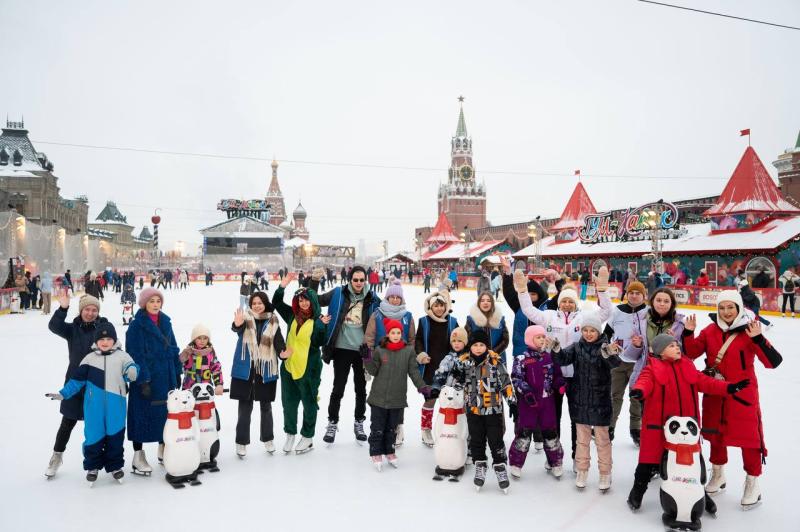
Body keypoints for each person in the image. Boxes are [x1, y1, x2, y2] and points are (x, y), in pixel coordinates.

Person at [682, 290, 783, 509]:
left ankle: (752, 482)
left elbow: (773, 362)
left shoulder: (749, 331)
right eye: (722, 307)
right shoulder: (709, 330)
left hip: (742, 395)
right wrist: (688, 334)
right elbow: (691, 353)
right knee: (716, 436)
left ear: (738, 308)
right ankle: (718, 475)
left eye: (730, 307)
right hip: (716, 392)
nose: (726, 312)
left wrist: (758, 338)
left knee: (750, 441)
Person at [626, 334, 745, 512]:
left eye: (677, 345)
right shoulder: (652, 368)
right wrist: (639, 391)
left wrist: (728, 387)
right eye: (672, 345)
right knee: (647, 463)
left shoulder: (688, 366)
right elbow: (644, 382)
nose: (677, 347)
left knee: (692, 464)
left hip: (686, 431)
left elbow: (707, 382)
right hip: (659, 428)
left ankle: (700, 495)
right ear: (661, 351)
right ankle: (637, 492)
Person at [513, 267, 612, 468]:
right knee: (552, 418)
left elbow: (606, 312)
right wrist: (522, 292)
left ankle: (577, 458)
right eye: (564, 300)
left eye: (570, 301)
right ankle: (554, 455)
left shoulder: (584, 317)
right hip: (551, 376)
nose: (567, 304)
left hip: (578, 376)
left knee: (578, 419)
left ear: (575, 303)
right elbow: (528, 311)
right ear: (559, 302)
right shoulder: (549, 316)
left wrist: (602, 290)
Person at [46, 323, 138, 484]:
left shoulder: (122, 356)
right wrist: (63, 394)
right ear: (96, 341)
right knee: (93, 436)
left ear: (114, 340)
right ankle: (92, 466)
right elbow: (76, 380)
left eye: (109, 338)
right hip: (93, 407)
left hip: (116, 405)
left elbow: (131, 368)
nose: (105, 342)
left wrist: (132, 371)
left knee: (115, 436)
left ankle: (115, 466)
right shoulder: (89, 359)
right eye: (101, 338)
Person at [551, 313, 620, 491]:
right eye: (585, 330)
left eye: (592, 330)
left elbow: (615, 363)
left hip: (600, 402)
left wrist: (609, 353)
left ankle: (605, 473)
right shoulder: (576, 347)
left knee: (602, 441)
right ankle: (582, 470)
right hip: (580, 401)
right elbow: (562, 359)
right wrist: (557, 349)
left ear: (598, 331)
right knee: (581, 441)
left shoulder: (604, 347)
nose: (589, 334)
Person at [312, 266, 380, 445]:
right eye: (355, 280)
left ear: (365, 280)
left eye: (361, 280)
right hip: (341, 348)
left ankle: (359, 423)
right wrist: (313, 282)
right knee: (338, 389)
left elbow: (390, 310)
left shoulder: (372, 298)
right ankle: (332, 423)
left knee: (361, 390)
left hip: (362, 350)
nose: (359, 283)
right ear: (350, 280)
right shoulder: (338, 293)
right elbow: (314, 300)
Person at [45, 292, 108, 479]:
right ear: (81, 311)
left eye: (94, 310)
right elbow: (54, 326)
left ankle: (95, 460)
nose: (90, 313)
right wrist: (63, 308)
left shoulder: (103, 329)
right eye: (87, 309)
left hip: (96, 383)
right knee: (67, 423)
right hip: (74, 382)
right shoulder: (72, 329)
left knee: (95, 425)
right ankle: (56, 456)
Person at [450, 330, 516, 492]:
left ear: (487, 346)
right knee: (476, 441)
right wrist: (456, 377)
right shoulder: (464, 364)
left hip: (493, 411)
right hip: (473, 410)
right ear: (470, 347)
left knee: (496, 440)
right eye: (475, 345)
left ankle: (500, 467)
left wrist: (512, 402)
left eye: (482, 345)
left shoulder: (495, 362)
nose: (478, 348)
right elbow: (457, 385)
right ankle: (480, 465)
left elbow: (506, 383)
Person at [125, 287, 181, 476]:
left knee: (165, 417)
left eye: (158, 301)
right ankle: (138, 456)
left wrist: (177, 371)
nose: (156, 305)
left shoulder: (166, 322)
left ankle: (163, 448)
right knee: (141, 418)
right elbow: (134, 354)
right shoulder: (136, 325)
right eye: (152, 301)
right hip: (147, 380)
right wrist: (143, 380)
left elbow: (173, 347)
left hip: (165, 378)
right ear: (144, 304)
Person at [363, 319, 430, 470]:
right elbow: (373, 371)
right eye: (393, 332)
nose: (396, 335)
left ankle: (389, 451)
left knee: (392, 428)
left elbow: (413, 371)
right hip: (378, 398)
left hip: (397, 398)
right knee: (378, 427)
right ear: (388, 334)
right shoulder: (380, 350)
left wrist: (422, 387)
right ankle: (375, 452)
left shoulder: (408, 351)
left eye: (398, 332)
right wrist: (367, 359)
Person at [272, 277, 326, 454]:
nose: (303, 303)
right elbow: (276, 302)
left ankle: (308, 436)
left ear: (312, 301)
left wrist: (319, 325)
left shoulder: (319, 320)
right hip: (288, 367)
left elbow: (320, 342)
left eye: (306, 300)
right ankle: (290, 434)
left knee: (309, 403)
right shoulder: (291, 316)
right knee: (288, 403)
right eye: (300, 300)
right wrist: (282, 286)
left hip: (309, 370)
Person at [230, 291, 284, 457]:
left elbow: (278, 341)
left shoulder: (273, 320)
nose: (257, 306)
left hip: (266, 369)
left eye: (260, 303)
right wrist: (237, 324)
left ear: (265, 303)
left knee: (266, 407)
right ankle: (241, 442)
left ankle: (268, 439)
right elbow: (237, 329)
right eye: (254, 303)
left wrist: (282, 352)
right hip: (246, 369)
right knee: (244, 408)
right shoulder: (246, 319)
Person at [508, 325, 565, 479]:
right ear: (529, 339)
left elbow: (557, 375)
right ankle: (516, 463)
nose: (541, 339)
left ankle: (556, 462)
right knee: (524, 432)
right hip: (529, 403)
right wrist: (526, 392)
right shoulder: (522, 359)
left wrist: (560, 385)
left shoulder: (549, 357)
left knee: (550, 432)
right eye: (538, 337)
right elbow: (516, 378)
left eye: (542, 337)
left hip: (547, 402)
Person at [363, 279, 415, 445]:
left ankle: (398, 426)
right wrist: (367, 360)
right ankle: (380, 426)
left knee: (399, 395)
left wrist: (410, 359)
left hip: (400, 361)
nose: (394, 299)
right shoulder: (377, 314)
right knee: (380, 394)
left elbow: (412, 340)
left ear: (401, 299)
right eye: (391, 296)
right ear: (386, 298)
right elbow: (369, 338)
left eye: (397, 297)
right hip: (381, 361)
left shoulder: (407, 316)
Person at [605, 280, 648, 444]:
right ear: (626, 294)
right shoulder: (617, 311)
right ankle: (609, 427)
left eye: (638, 293)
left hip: (639, 362)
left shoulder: (648, 312)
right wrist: (608, 349)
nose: (634, 295)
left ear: (644, 296)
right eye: (631, 292)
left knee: (636, 397)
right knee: (614, 395)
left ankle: (636, 429)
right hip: (618, 361)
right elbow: (606, 333)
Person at [414, 288, 458, 446]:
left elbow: (458, 341)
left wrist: (456, 357)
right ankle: (426, 429)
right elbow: (418, 340)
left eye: (442, 306)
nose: (439, 309)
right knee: (431, 399)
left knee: (450, 401)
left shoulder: (452, 321)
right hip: (430, 367)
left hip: (449, 368)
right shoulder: (423, 321)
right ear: (430, 307)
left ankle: (448, 431)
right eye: (436, 306)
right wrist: (421, 354)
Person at [465, 291, 509, 366]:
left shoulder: (500, 319)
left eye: (488, 300)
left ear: (492, 303)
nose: (485, 303)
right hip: (477, 359)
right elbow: (467, 340)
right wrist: (479, 352)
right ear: (479, 303)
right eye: (482, 300)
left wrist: (493, 353)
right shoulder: (471, 320)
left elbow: (505, 340)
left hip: (497, 358)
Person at [179, 324, 224, 394]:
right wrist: (182, 357)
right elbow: (178, 366)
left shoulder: (210, 354)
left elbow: (216, 369)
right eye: (199, 338)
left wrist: (219, 384)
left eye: (205, 338)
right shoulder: (188, 352)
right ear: (194, 339)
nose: (202, 341)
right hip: (189, 391)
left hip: (205, 391)